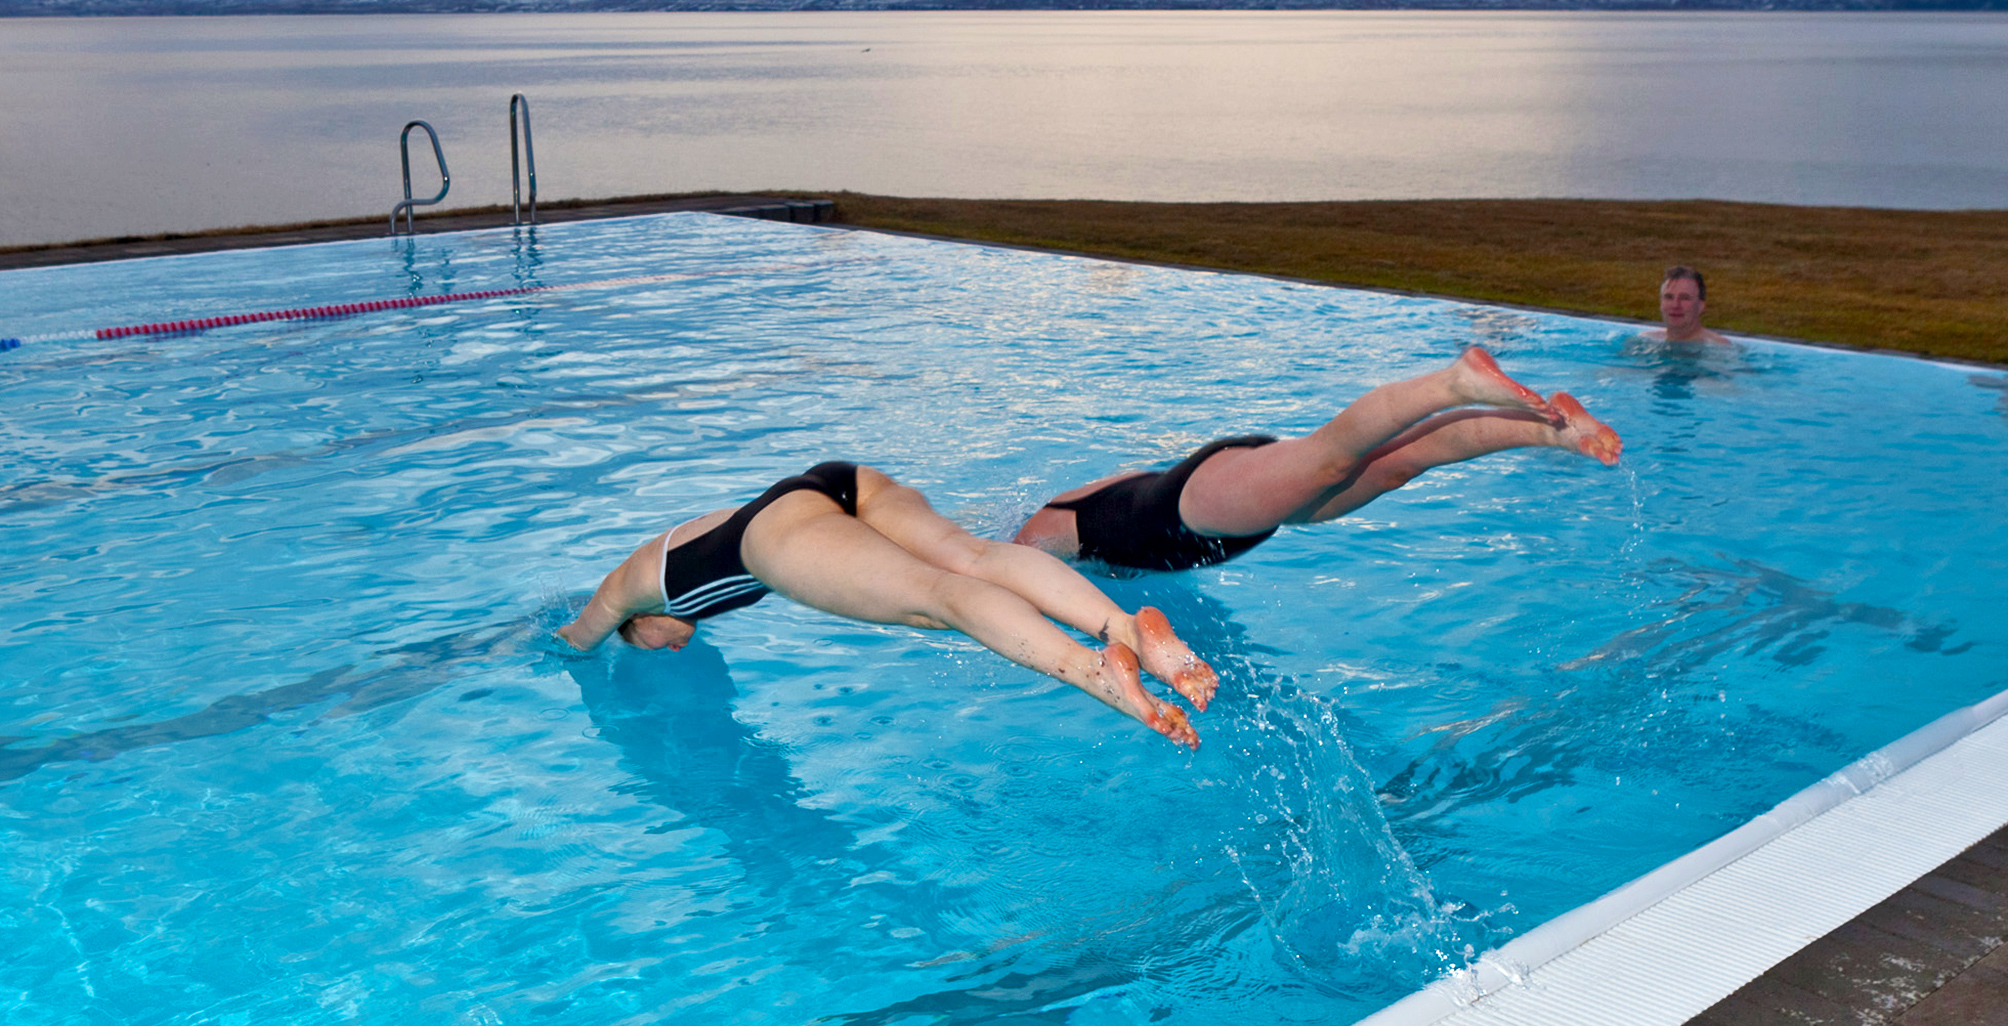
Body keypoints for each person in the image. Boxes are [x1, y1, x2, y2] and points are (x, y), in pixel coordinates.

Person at [558, 460, 1221, 748]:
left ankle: (1094, 670)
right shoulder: (678, 540)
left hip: (778, 536)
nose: (677, 643)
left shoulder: (631, 588)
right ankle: (1125, 626)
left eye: (647, 638)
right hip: (833, 484)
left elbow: (578, 634)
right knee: (972, 555)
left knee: (936, 601)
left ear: (637, 621)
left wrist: (566, 644)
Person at [1014, 347, 1621, 573]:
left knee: (1333, 458)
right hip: (1226, 510)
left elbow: (1015, 576)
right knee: (1402, 463)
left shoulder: (1036, 539)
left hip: (1195, 506)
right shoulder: (1080, 522)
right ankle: (1554, 430)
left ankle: (1453, 382)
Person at [1648, 265, 1731, 347]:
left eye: (1685, 298)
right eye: (1669, 297)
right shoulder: (1647, 340)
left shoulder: (1719, 348)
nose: (1675, 305)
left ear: (1701, 306)